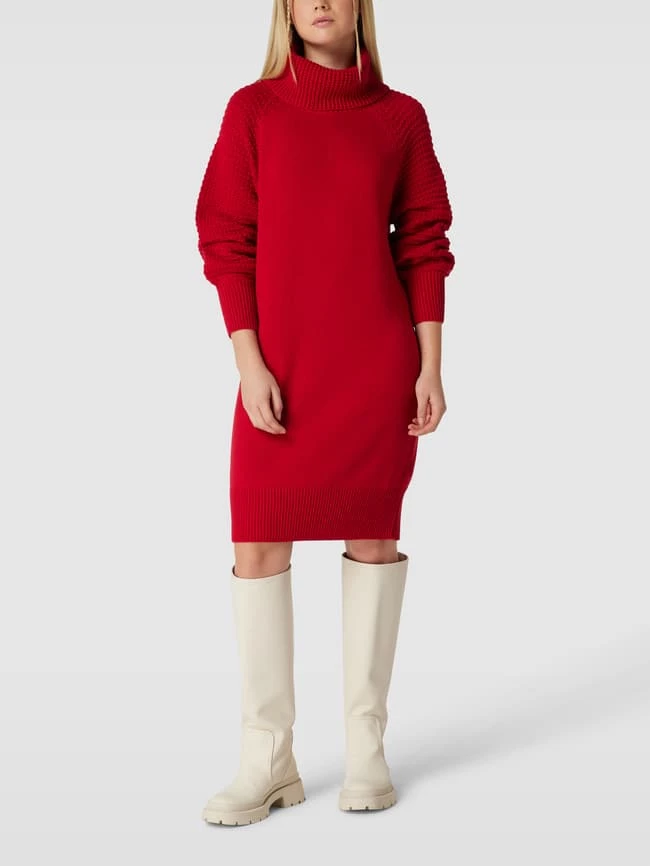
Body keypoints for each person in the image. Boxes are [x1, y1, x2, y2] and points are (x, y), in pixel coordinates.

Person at [194, 0, 455, 825]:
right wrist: (249, 364)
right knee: (257, 545)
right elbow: (225, 239)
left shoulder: (400, 119)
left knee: (372, 539)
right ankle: (268, 758)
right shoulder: (253, 111)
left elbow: (424, 242)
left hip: (374, 367)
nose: (320, 1)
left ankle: (367, 749)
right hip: (281, 369)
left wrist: (430, 365)